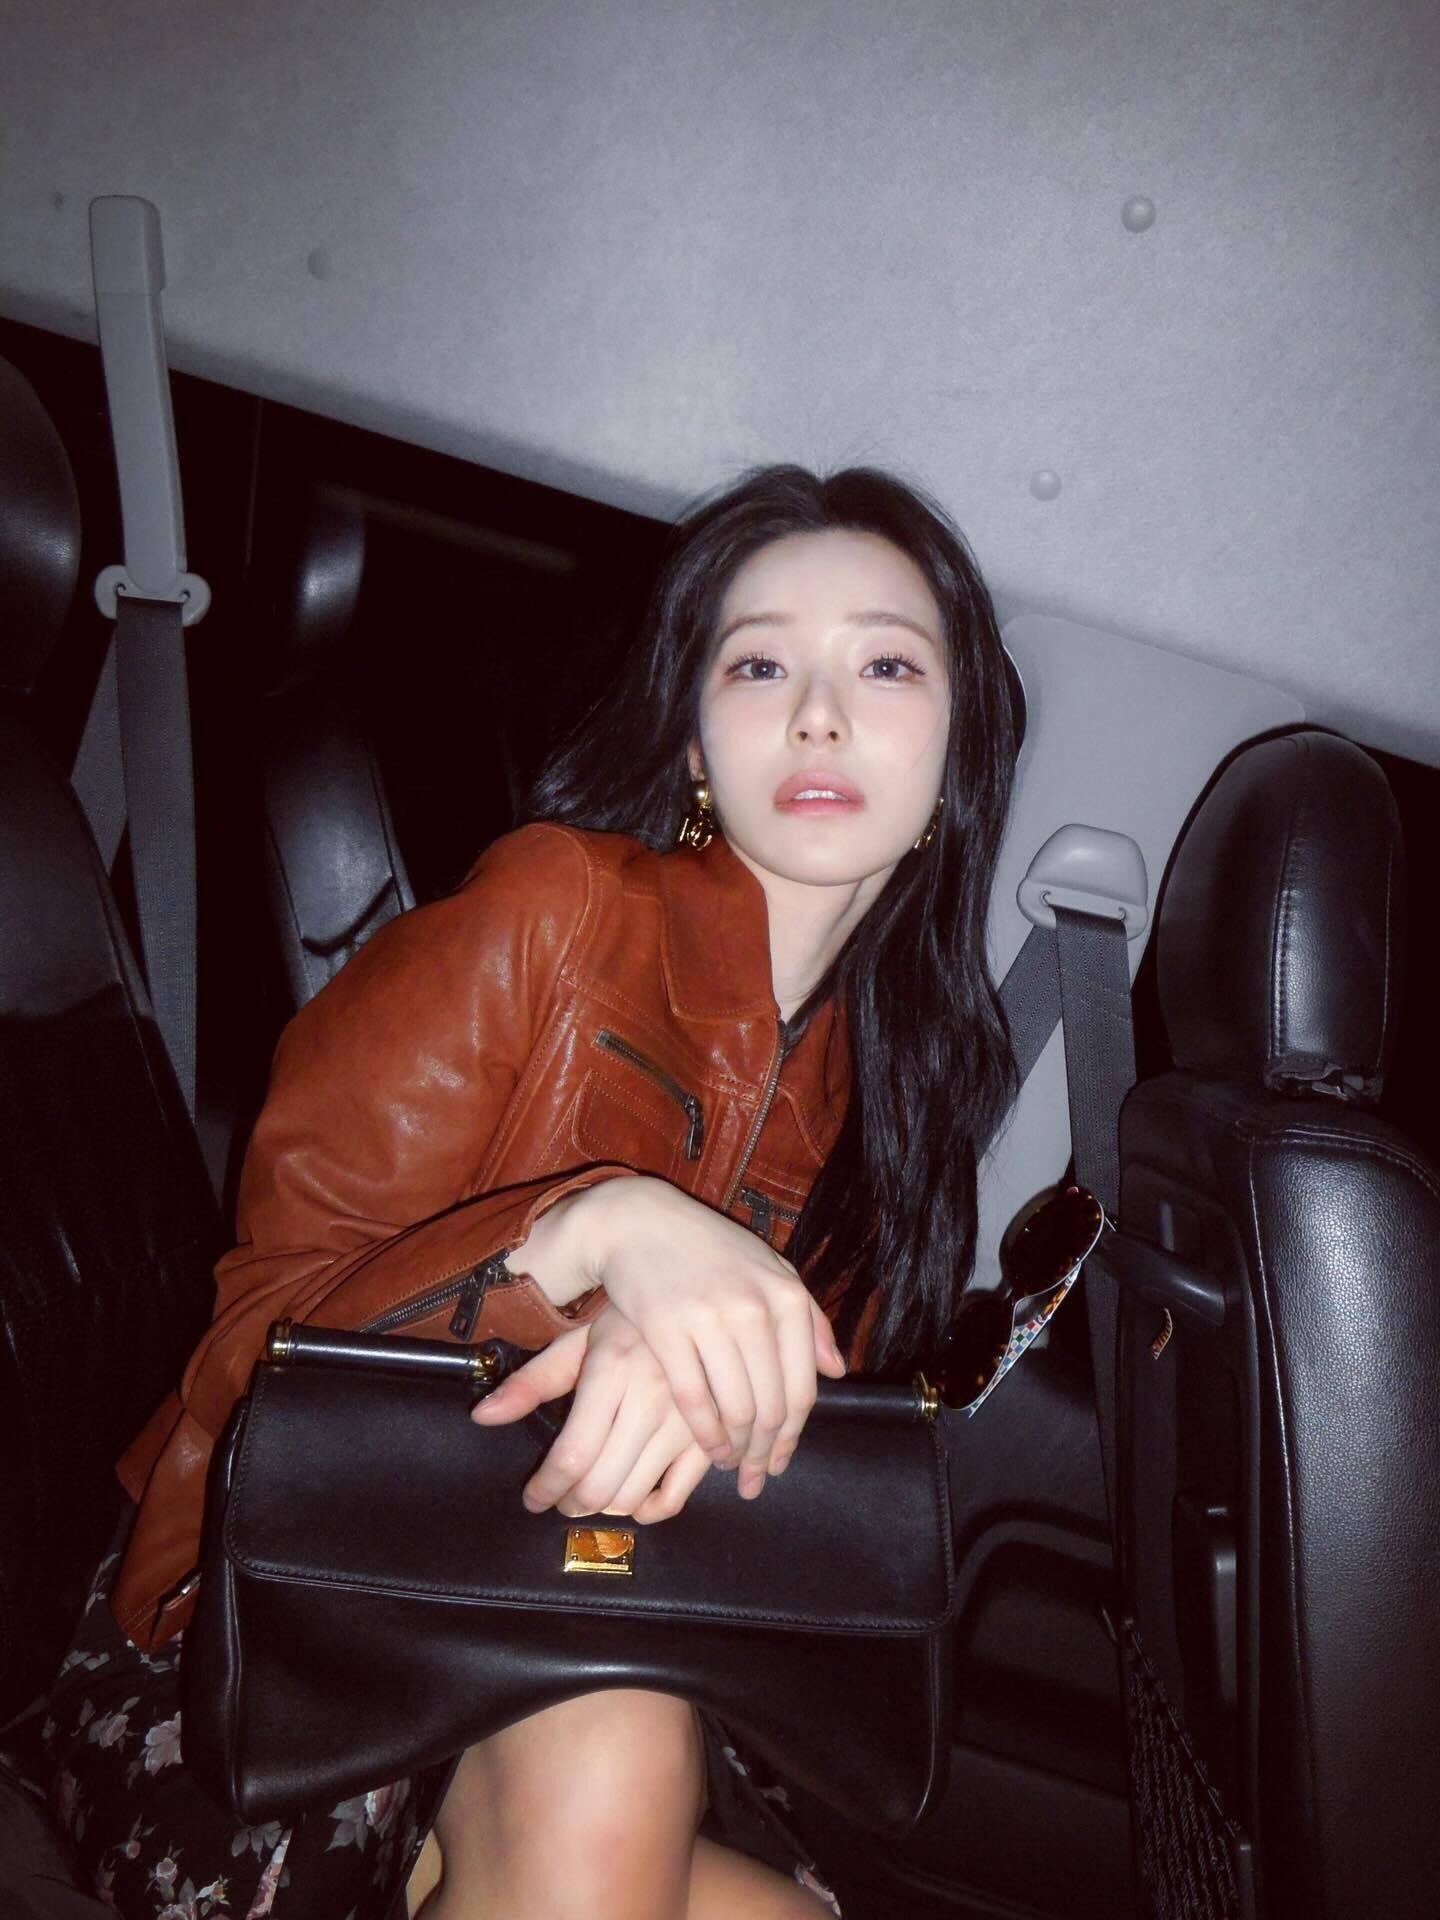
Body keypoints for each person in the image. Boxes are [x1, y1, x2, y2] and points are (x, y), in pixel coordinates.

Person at [44, 464, 1018, 1918]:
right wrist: (585, 1237)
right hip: (269, 1626)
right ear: (694, 742)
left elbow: (763, 1512)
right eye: (760, 666)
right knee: (611, 1741)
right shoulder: (549, 913)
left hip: (609, 1623)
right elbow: (249, 1356)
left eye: (886, 666)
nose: (820, 713)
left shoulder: (902, 1096)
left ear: (957, 745)